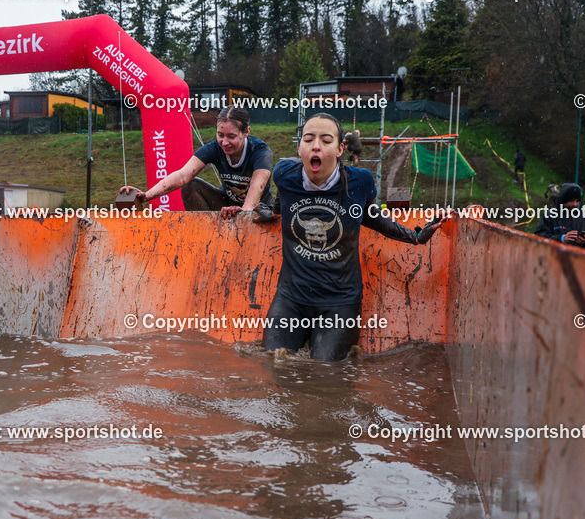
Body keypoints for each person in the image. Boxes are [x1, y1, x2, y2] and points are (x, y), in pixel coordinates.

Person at [263, 113, 446, 362]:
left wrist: (416, 236)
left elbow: (373, 217)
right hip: (291, 297)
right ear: (300, 148)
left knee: (325, 374)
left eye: (326, 141)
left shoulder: (360, 182)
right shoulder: (285, 174)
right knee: (274, 362)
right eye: (308, 139)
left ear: (340, 150)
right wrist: (268, 213)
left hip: (339, 300)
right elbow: (280, 202)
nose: (315, 146)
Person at [119, 106, 274, 221]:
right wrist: (146, 196)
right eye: (220, 135)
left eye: (231, 136)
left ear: (246, 132)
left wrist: (243, 212)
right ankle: (207, 234)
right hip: (227, 205)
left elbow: (257, 185)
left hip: (258, 210)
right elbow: (183, 175)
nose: (224, 142)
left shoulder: (260, 151)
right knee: (190, 185)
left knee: (255, 212)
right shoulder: (214, 147)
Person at [534, 183, 585, 250]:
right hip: (554, 257)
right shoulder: (549, 216)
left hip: (578, 258)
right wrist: (562, 238)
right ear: (563, 200)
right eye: (571, 200)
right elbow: (539, 237)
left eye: (577, 201)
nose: (575, 204)